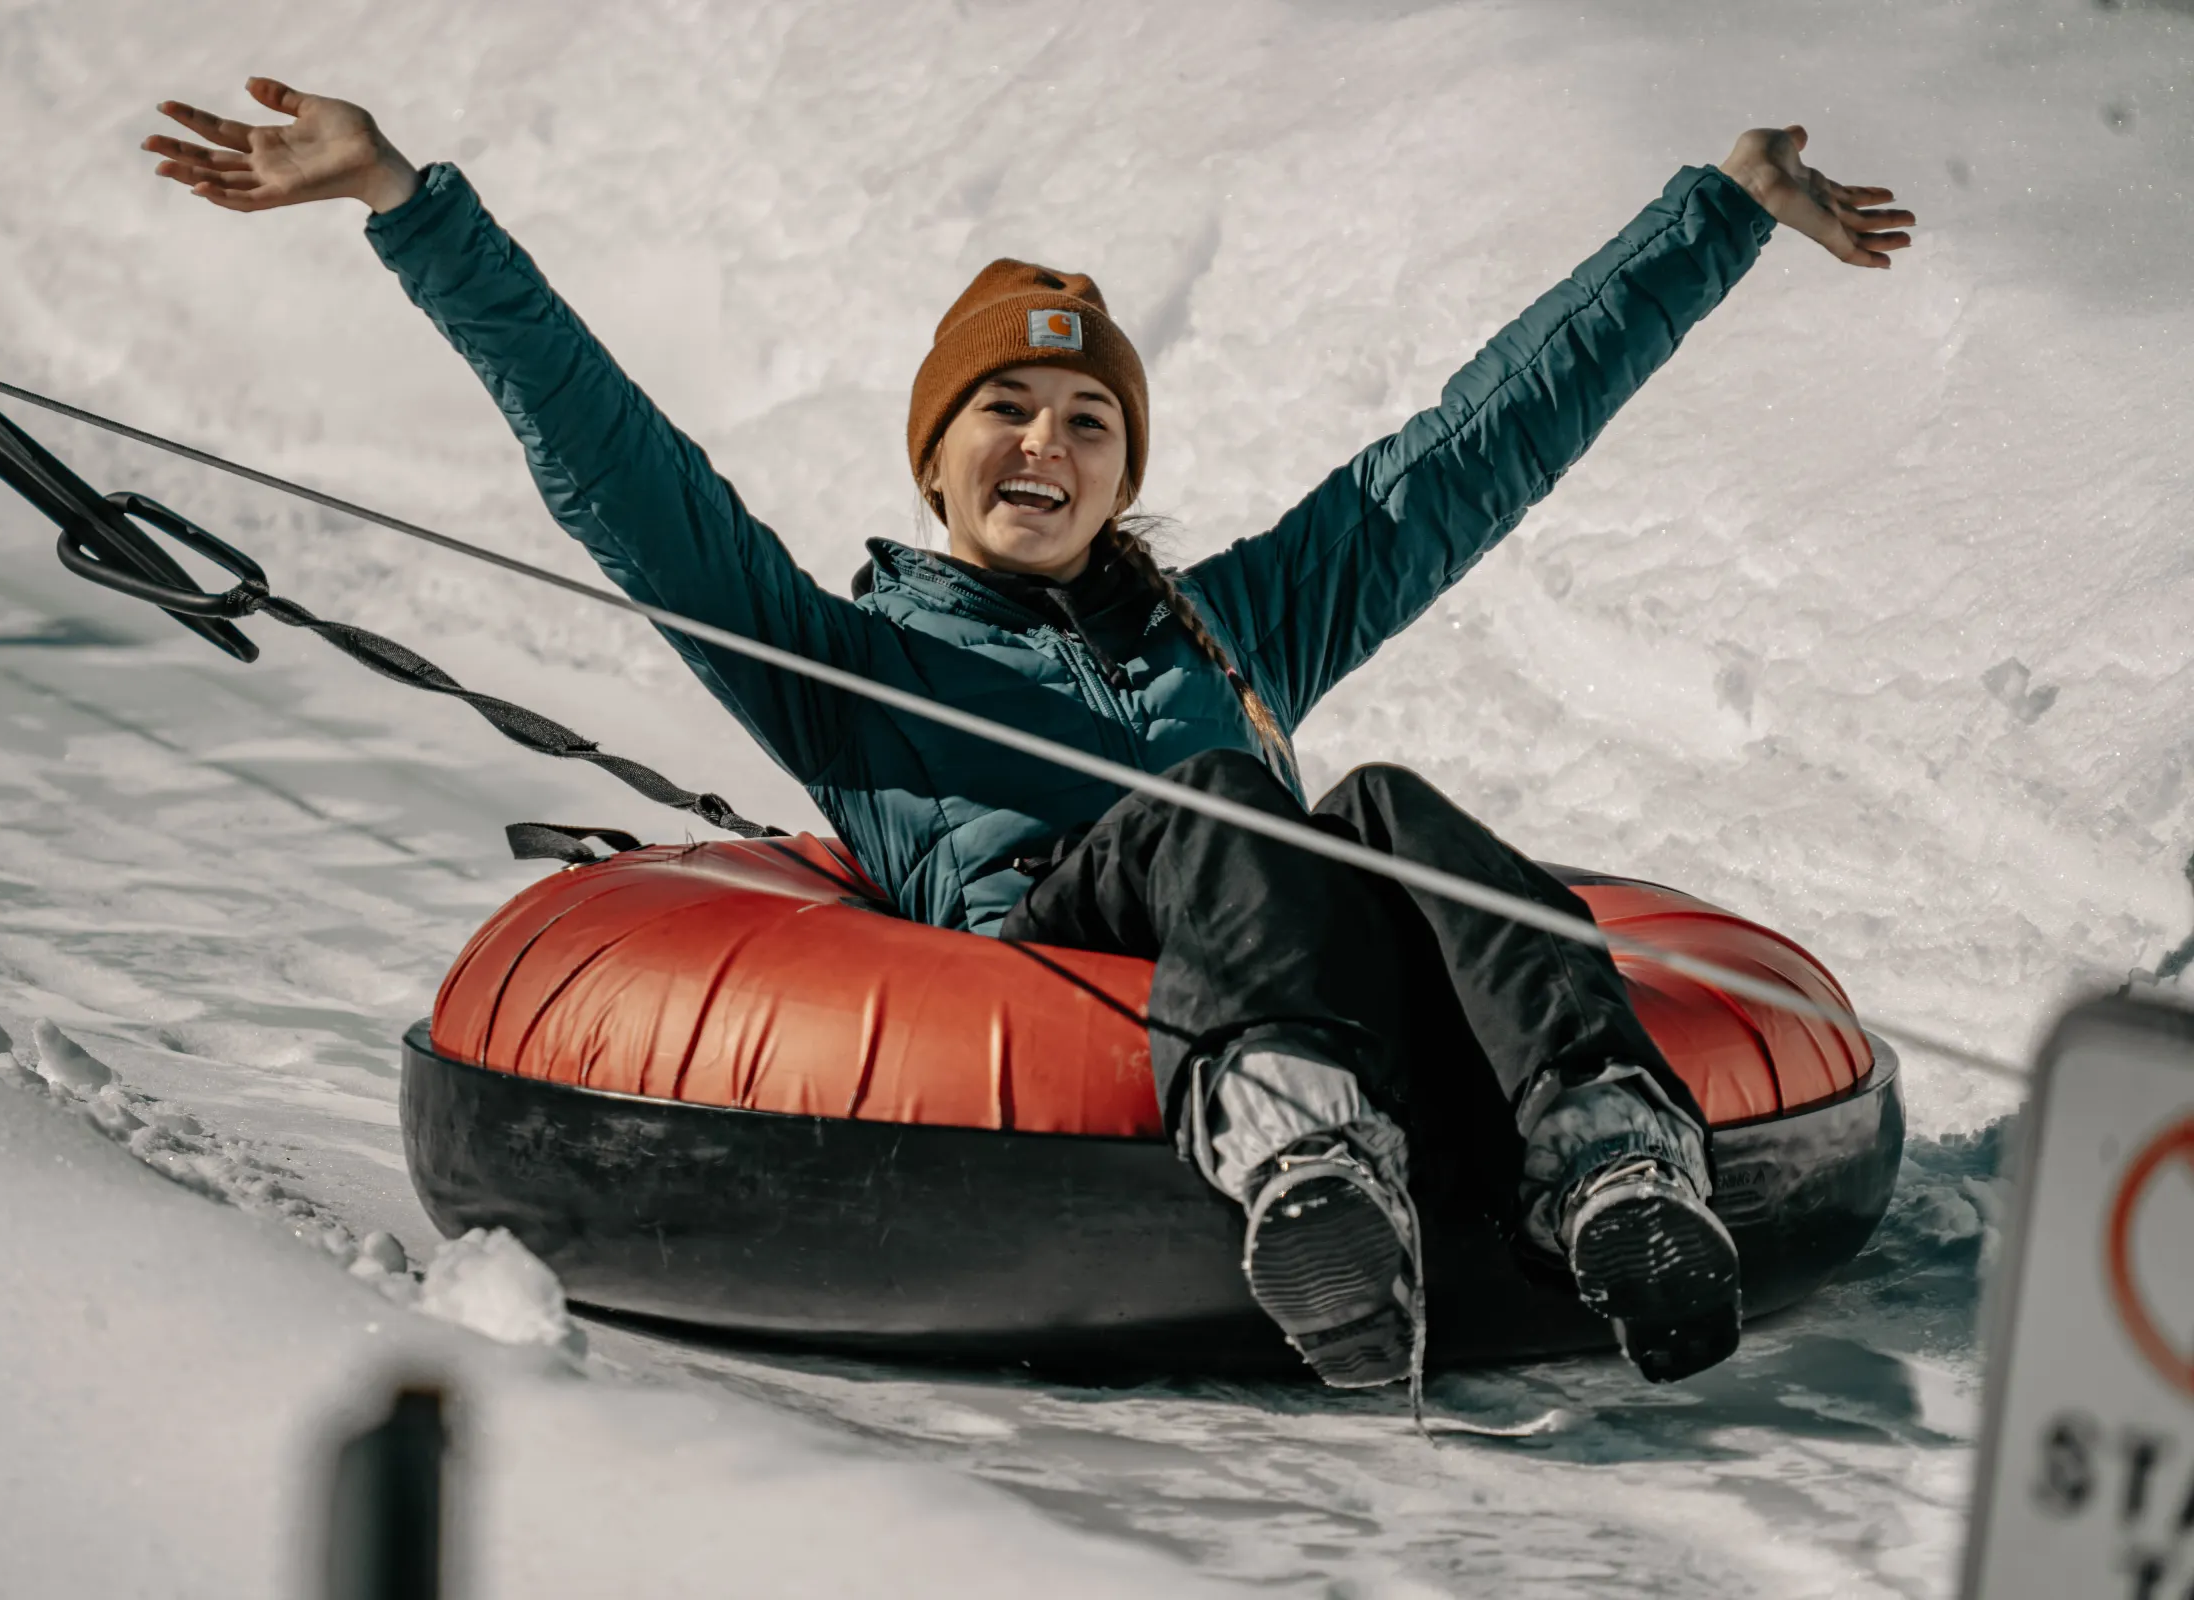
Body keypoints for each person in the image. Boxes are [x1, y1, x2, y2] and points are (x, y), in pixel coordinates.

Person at [144, 79, 1911, 1390]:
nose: (1043, 442)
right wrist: (408, 206)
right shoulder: (844, 661)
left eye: (1086, 417)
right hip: (1057, 968)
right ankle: (1304, 1171)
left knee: (1377, 798)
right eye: (1004, 407)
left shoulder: (1232, 622)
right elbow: (624, 470)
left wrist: (1723, 212)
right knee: (1231, 796)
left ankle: (1612, 1168)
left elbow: (1468, 452)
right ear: (938, 455)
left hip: (1296, 939)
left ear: (1124, 471)